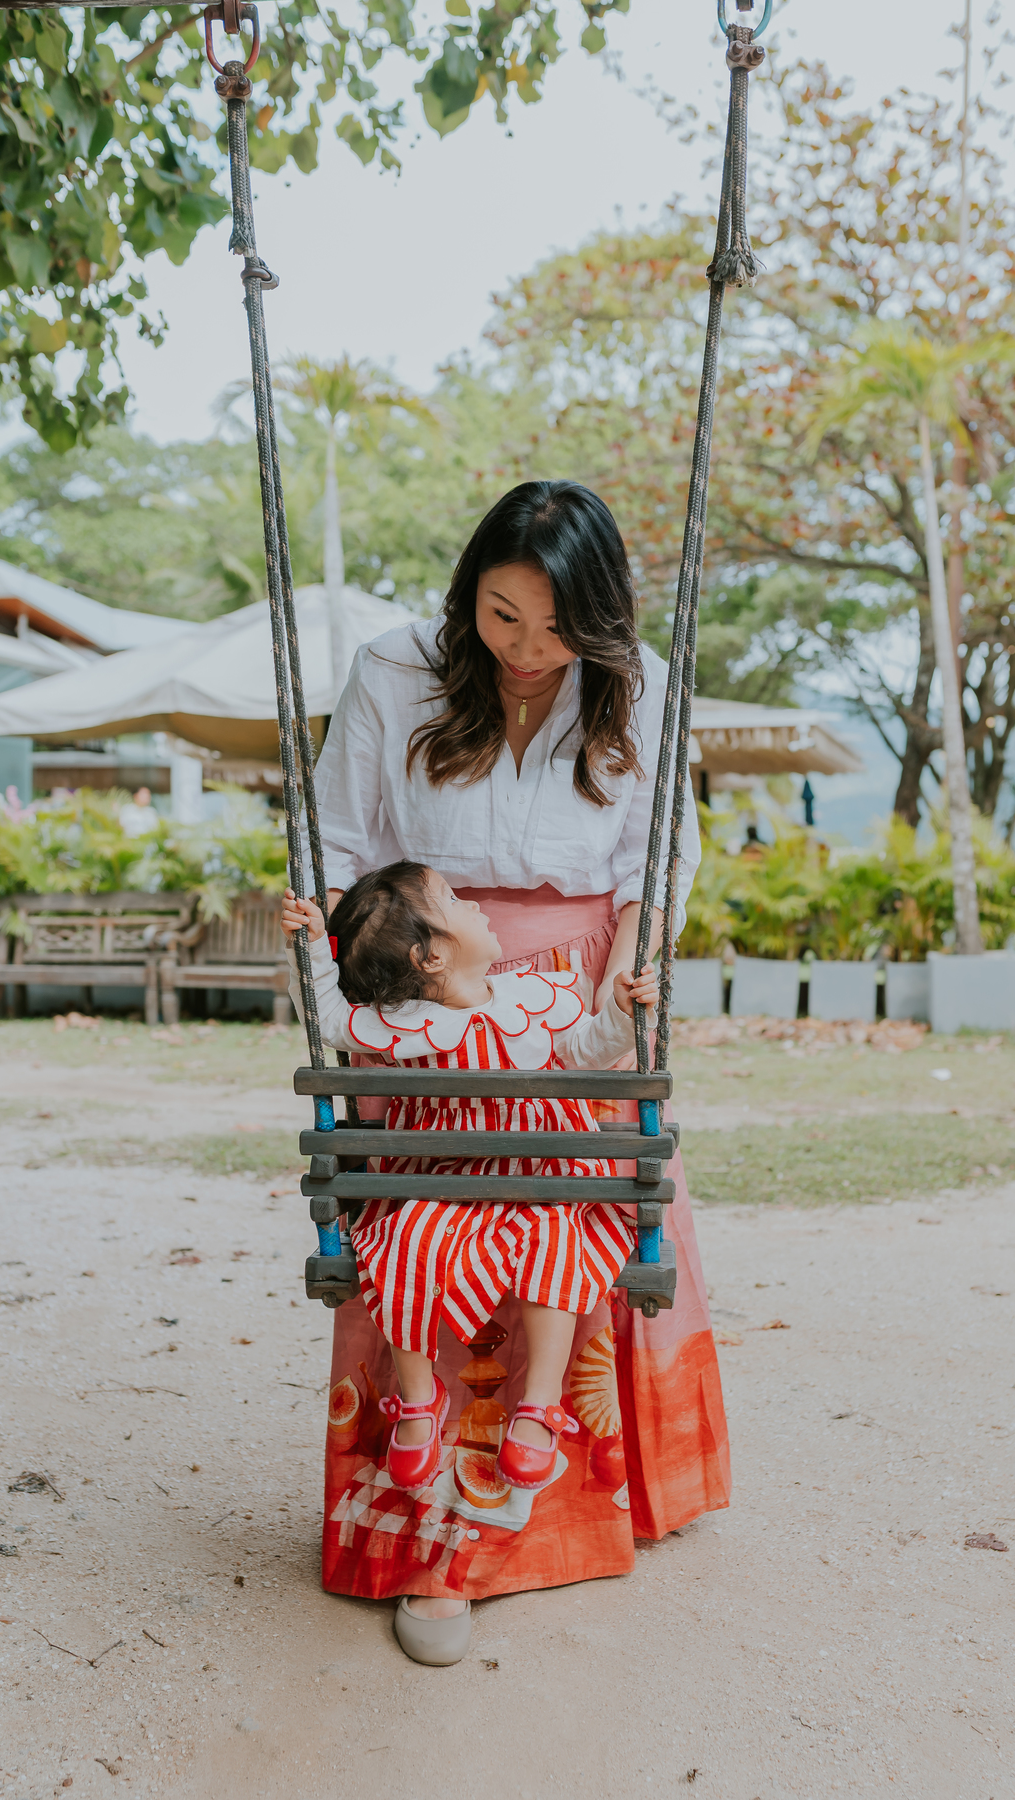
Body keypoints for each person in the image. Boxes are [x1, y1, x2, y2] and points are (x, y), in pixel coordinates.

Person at [297, 479, 730, 1666]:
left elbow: (660, 850)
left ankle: (597, 1503)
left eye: (557, 631)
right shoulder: (395, 672)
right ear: (464, 594)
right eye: (500, 617)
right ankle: (440, 1541)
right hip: (435, 981)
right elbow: (338, 841)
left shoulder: (637, 685)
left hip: (576, 993)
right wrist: (344, 999)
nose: (528, 652)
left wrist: (627, 987)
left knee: (578, 1206)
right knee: (431, 1221)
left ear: (601, 622)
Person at [283, 864, 658, 1500]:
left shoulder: (533, 1002)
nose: (475, 903)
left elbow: (585, 1049)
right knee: (406, 1240)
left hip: (546, 1177)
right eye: (454, 900)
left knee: (557, 1243)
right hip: (444, 1181)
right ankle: (419, 1401)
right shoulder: (405, 1024)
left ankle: (537, 1409)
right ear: (428, 956)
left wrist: (621, 1014)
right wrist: (312, 946)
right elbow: (325, 1019)